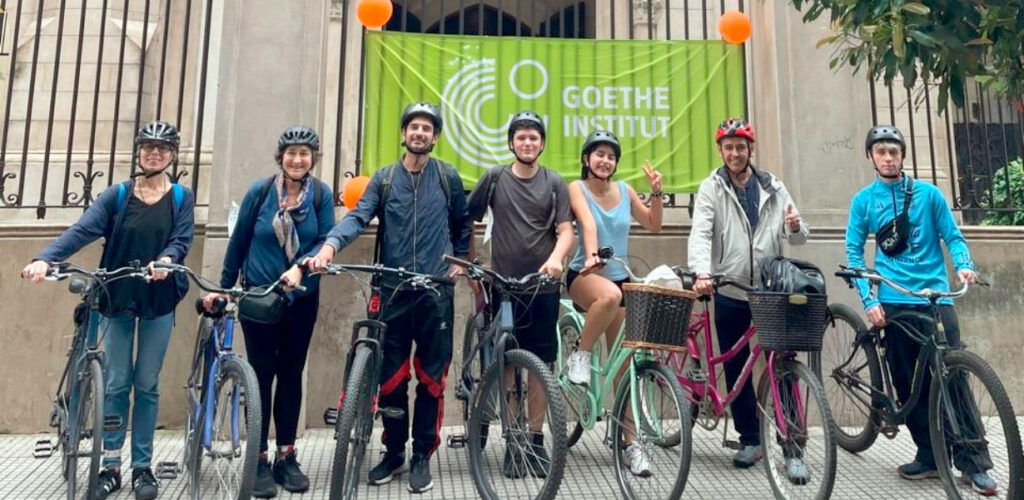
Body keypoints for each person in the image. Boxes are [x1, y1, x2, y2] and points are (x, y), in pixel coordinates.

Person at [22, 121, 195, 500]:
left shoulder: (181, 197)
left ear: (172, 155)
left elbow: (181, 240)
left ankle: (142, 467)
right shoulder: (116, 195)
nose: (154, 153)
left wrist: (167, 259)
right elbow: (82, 230)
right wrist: (44, 258)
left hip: (158, 301)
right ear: (138, 152)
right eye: (148, 147)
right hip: (116, 298)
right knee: (117, 382)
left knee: (147, 385)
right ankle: (111, 465)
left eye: (162, 148)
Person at [307, 102, 472, 494]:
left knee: (432, 380)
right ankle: (394, 451)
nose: (419, 133)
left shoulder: (447, 177)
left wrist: (461, 261)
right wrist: (330, 246)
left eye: (426, 128)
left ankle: (421, 456)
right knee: (391, 379)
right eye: (413, 127)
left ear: (435, 137)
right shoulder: (383, 180)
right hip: (393, 291)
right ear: (403, 134)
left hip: (435, 293)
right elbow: (356, 217)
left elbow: (464, 222)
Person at [846, 124, 994, 494]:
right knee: (907, 383)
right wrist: (870, 299)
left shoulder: (929, 195)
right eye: (880, 151)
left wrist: (963, 264)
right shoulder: (864, 201)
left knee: (954, 379)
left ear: (902, 156)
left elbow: (953, 236)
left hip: (936, 299)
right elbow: (853, 255)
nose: (888, 157)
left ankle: (974, 462)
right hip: (894, 301)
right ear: (870, 157)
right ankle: (929, 455)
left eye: (894, 151)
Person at [210, 125, 335, 498]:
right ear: (281, 157)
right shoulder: (260, 193)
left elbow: (326, 240)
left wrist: (302, 269)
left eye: (305, 153)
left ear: (313, 159)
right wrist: (224, 286)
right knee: (261, 377)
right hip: (259, 300)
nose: (298, 159)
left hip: (301, 300)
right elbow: (239, 242)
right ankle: (259, 457)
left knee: (291, 374)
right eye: (292, 152)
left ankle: (287, 455)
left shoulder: (321, 196)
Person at [687, 118, 809, 479]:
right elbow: (701, 232)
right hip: (729, 288)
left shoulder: (772, 184)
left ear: (750, 150)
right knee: (737, 366)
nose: (735, 153)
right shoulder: (712, 187)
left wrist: (794, 227)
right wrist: (701, 272)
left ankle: (792, 447)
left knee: (781, 365)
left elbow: (800, 236)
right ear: (720, 151)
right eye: (729, 147)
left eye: (741, 146)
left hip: (771, 290)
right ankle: (750, 439)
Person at [465, 110, 574, 479]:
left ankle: (535, 440)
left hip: (542, 288)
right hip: (504, 288)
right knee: (509, 365)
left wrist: (557, 260)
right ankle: (513, 441)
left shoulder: (555, 182)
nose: (528, 142)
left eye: (534, 137)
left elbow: (566, 231)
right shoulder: (495, 178)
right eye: (521, 137)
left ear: (542, 144)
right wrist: (469, 264)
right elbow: (468, 217)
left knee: (542, 366)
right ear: (511, 142)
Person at [563, 130, 663, 476]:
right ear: (586, 160)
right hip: (585, 275)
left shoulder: (625, 191)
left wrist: (656, 193)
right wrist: (591, 256)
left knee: (627, 366)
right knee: (608, 295)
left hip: (620, 275)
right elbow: (587, 223)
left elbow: (653, 224)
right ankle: (581, 353)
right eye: (598, 154)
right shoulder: (576, 188)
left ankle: (630, 442)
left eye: (610, 155)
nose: (604, 160)